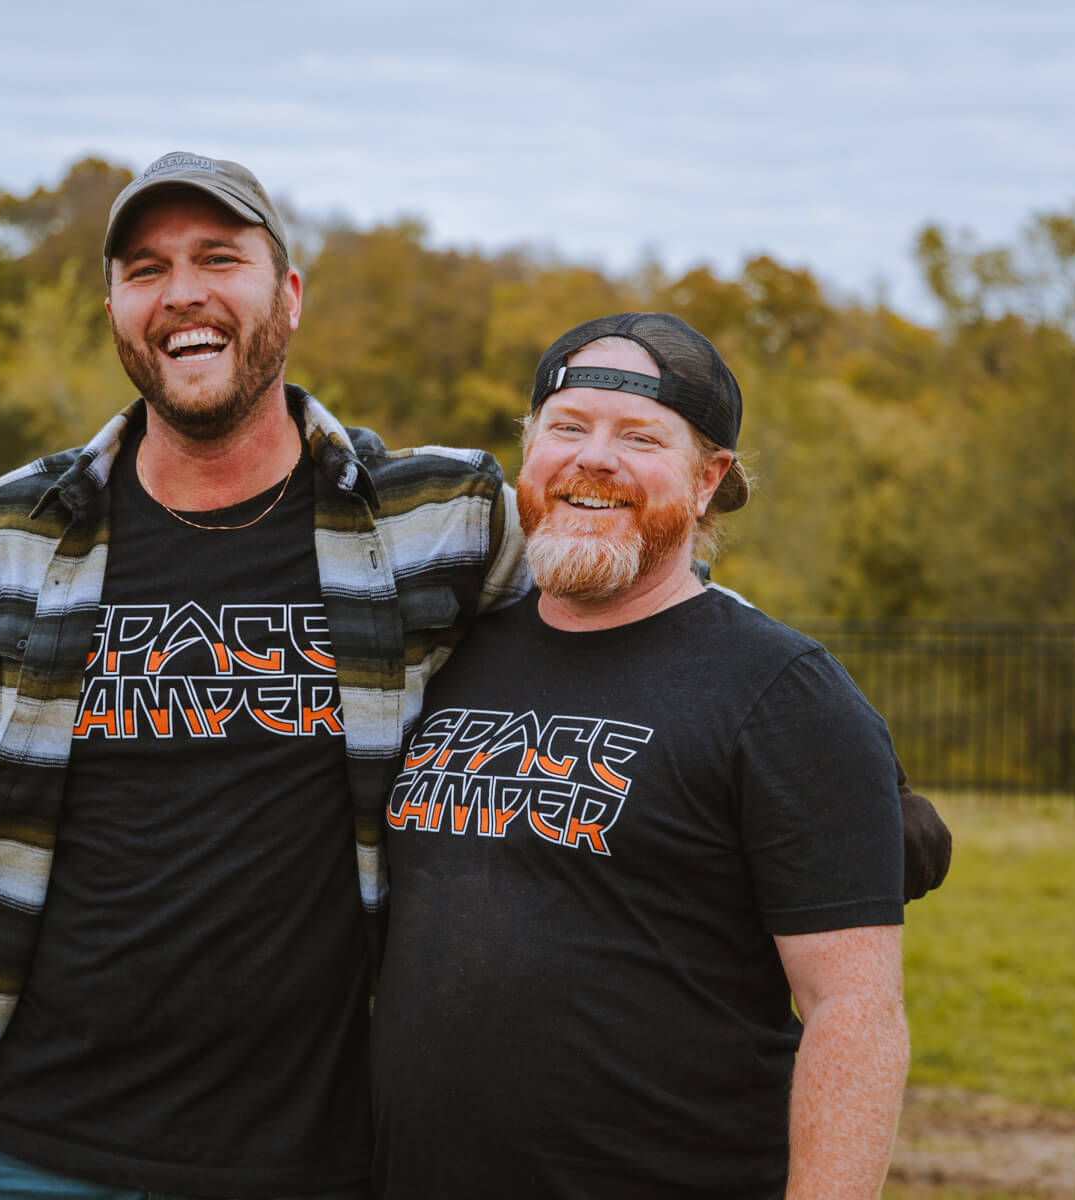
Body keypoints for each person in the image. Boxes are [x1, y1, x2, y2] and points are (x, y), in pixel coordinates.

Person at [0, 157, 945, 1199]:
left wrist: (836, 797)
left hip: (314, 1150)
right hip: (38, 1137)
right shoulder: (14, 538)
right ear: (115, 310)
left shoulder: (428, 520)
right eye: (147, 268)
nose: (185, 293)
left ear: (286, 297)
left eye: (219, 259)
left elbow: (638, 595)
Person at [370, 313, 914, 1200]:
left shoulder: (781, 692)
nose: (594, 460)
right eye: (568, 428)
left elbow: (853, 1014)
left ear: (709, 482)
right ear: (527, 453)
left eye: (640, 437)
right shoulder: (450, 656)